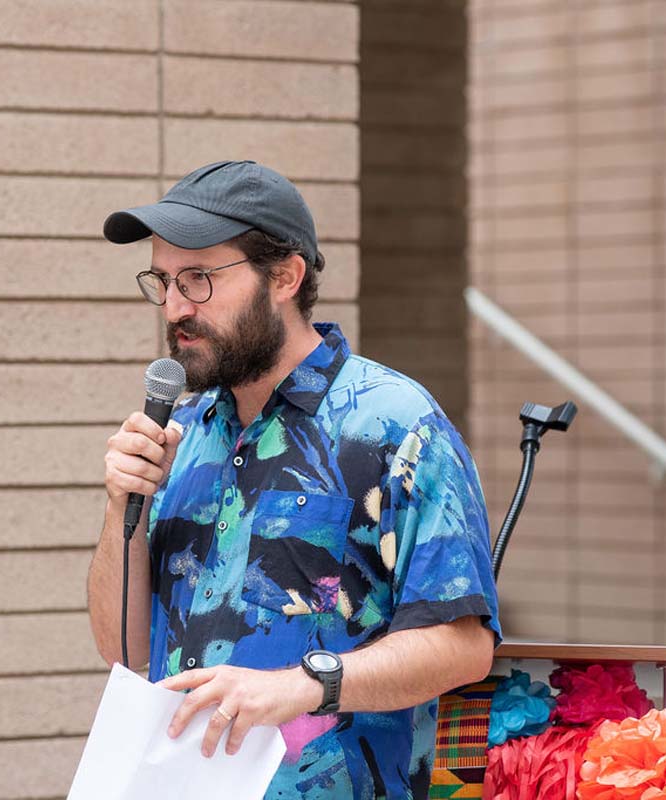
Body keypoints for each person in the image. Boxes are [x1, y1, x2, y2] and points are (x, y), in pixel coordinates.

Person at [86, 160, 500, 800]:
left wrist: (304, 682)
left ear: (284, 276)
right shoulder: (186, 430)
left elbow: (462, 646)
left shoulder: (394, 424)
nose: (173, 308)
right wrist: (122, 510)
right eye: (162, 282)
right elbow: (123, 647)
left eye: (198, 280)